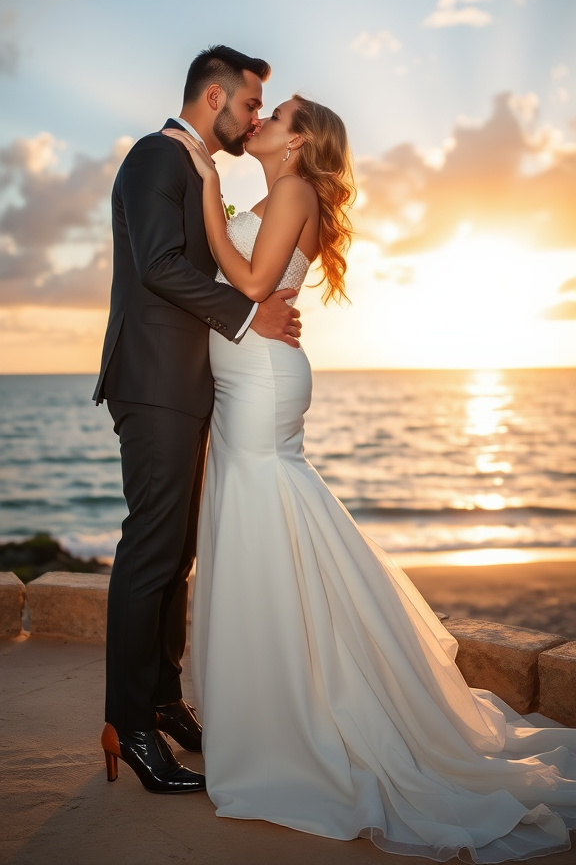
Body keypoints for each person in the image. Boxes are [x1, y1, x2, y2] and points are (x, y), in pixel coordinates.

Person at [166, 96, 576, 861]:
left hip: (260, 383)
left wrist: (201, 195)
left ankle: (299, 719)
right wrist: (215, 209)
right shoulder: (273, 192)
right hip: (243, 379)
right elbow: (244, 289)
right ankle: (273, 708)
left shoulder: (293, 191)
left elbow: (253, 286)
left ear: (302, 141)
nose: (261, 118)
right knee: (258, 529)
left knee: (268, 520)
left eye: (277, 113)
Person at [93, 46, 301, 794]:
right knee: (150, 550)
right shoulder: (157, 156)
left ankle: (161, 699)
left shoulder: (196, 169)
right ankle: (130, 726)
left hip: (185, 384)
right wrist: (249, 314)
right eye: (249, 105)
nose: (253, 120)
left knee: (175, 552)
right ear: (215, 98)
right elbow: (156, 266)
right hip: (151, 383)